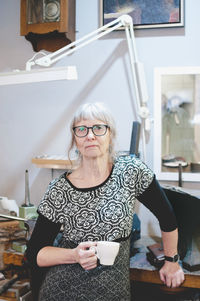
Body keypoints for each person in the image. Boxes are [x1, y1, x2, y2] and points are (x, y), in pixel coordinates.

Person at [26, 102, 185, 300]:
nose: (90, 135)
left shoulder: (130, 171)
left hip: (114, 292)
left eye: (98, 128)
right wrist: (74, 255)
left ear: (110, 135)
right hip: (64, 291)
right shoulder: (60, 189)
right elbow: (34, 253)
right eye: (82, 129)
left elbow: (167, 215)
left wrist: (172, 260)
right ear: (75, 139)